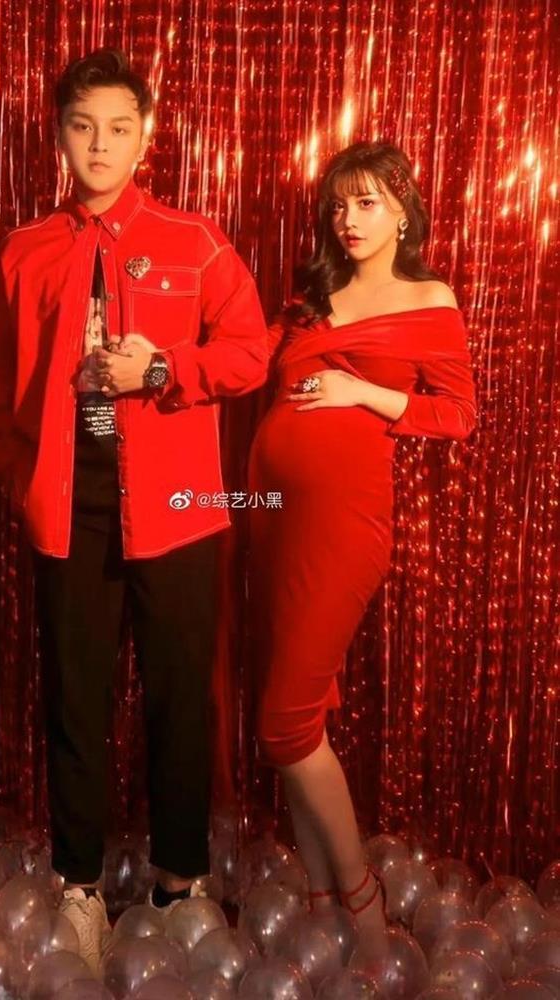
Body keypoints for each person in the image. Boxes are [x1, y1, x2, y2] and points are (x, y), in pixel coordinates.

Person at [0, 48, 268, 971]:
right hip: (72, 511)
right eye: (83, 127)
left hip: (176, 507)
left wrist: (166, 368)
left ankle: (181, 882)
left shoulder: (194, 239)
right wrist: (23, 480)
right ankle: (80, 888)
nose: (100, 145)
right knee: (76, 700)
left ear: (147, 137)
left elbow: (250, 352)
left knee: (180, 699)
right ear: (59, 136)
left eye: (119, 128)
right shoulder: (24, 251)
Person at [247, 141, 477, 946]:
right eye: (339, 205)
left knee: (283, 726)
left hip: (343, 523)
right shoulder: (312, 293)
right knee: (300, 718)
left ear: (403, 211)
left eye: (368, 202)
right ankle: (319, 905)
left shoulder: (428, 297)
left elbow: (458, 414)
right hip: (271, 513)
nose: (349, 219)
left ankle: (362, 904)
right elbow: (246, 365)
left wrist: (361, 391)